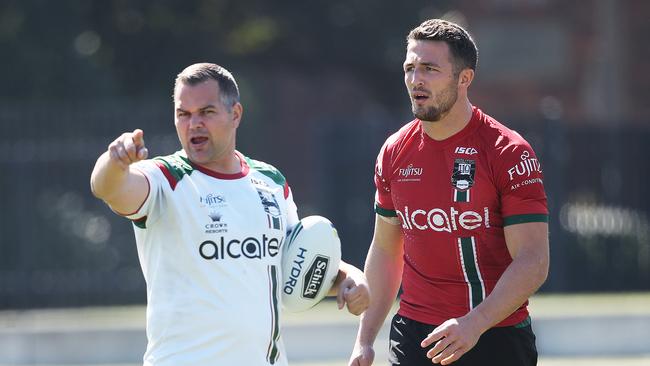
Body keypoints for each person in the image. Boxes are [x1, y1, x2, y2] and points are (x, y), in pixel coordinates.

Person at [90, 62, 370, 365]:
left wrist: (351, 279)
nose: (193, 123)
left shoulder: (270, 181)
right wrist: (114, 162)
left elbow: (296, 260)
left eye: (206, 112)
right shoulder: (165, 178)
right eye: (183, 114)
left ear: (235, 114)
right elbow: (108, 188)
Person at [348, 19, 549, 366]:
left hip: (496, 336)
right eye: (410, 68)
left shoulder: (508, 152)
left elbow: (533, 261)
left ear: (464, 78)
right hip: (416, 337)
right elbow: (385, 249)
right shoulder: (394, 152)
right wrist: (364, 340)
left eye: (429, 69)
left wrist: (475, 323)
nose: (416, 80)